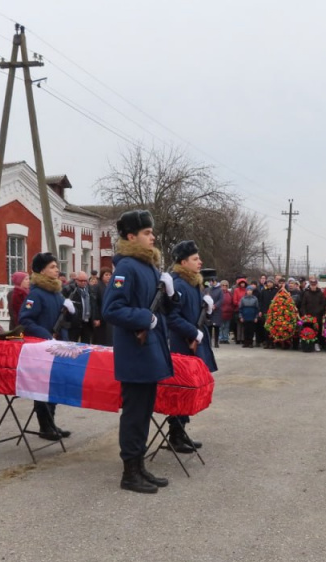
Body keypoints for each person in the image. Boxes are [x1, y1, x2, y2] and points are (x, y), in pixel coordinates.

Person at [101, 210, 174, 494]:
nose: (152, 236)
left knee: (144, 412)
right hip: (136, 352)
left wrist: (170, 294)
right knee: (134, 414)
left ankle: (140, 465)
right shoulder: (127, 268)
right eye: (146, 233)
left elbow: (164, 308)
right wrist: (146, 319)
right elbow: (112, 310)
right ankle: (129, 472)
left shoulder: (148, 267)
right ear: (131, 237)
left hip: (150, 351)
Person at [165, 240, 217, 453]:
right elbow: (172, 317)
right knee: (181, 390)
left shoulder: (193, 283)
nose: (200, 262)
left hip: (193, 344)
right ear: (183, 262)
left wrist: (206, 308)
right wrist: (193, 332)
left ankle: (180, 431)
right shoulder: (178, 285)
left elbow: (193, 314)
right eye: (195, 259)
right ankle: (175, 436)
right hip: (182, 345)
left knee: (189, 390)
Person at [17, 252, 75, 441]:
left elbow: (63, 321)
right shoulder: (36, 293)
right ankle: (44, 426)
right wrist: (46, 335)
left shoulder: (56, 292)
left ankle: (51, 422)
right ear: (42, 271)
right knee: (43, 388)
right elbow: (25, 320)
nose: (57, 269)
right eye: (52, 266)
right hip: (42, 347)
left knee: (55, 386)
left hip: (57, 346)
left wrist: (70, 312)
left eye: (56, 266)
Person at [63, 271, 94, 344]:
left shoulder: (90, 290)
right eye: (81, 281)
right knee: (73, 344)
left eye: (85, 281)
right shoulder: (69, 289)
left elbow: (93, 304)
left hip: (87, 322)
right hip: (74, 323)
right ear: (76, 280)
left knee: (86, 344)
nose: (83, 282)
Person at [299, 276, 326, 350]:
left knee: (318, 331)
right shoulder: (306, 293)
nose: (313, 286)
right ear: (310, 285)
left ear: (316, 285)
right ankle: (308, 343)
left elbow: (323, 304)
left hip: (318, 316)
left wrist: (319, 312)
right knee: (308, 330)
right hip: (308, 317)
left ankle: (317, 343)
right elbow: (303, 305)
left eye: (314, 285)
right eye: (312, 285)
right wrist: (304, 314)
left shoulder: (320, 293)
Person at [238, 282, 261, 348]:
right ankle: (246, 343)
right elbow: (240, 309)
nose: (249, 291)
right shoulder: (243, 299)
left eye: (250, 290)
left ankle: (250, 342)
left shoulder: (255, 299)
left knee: (251, 330)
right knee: (245, 330)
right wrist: (241, 316)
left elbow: (257, 309)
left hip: (252, 317)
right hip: (245, 317)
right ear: (246, 291)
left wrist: (256, 317)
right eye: (248, 290)